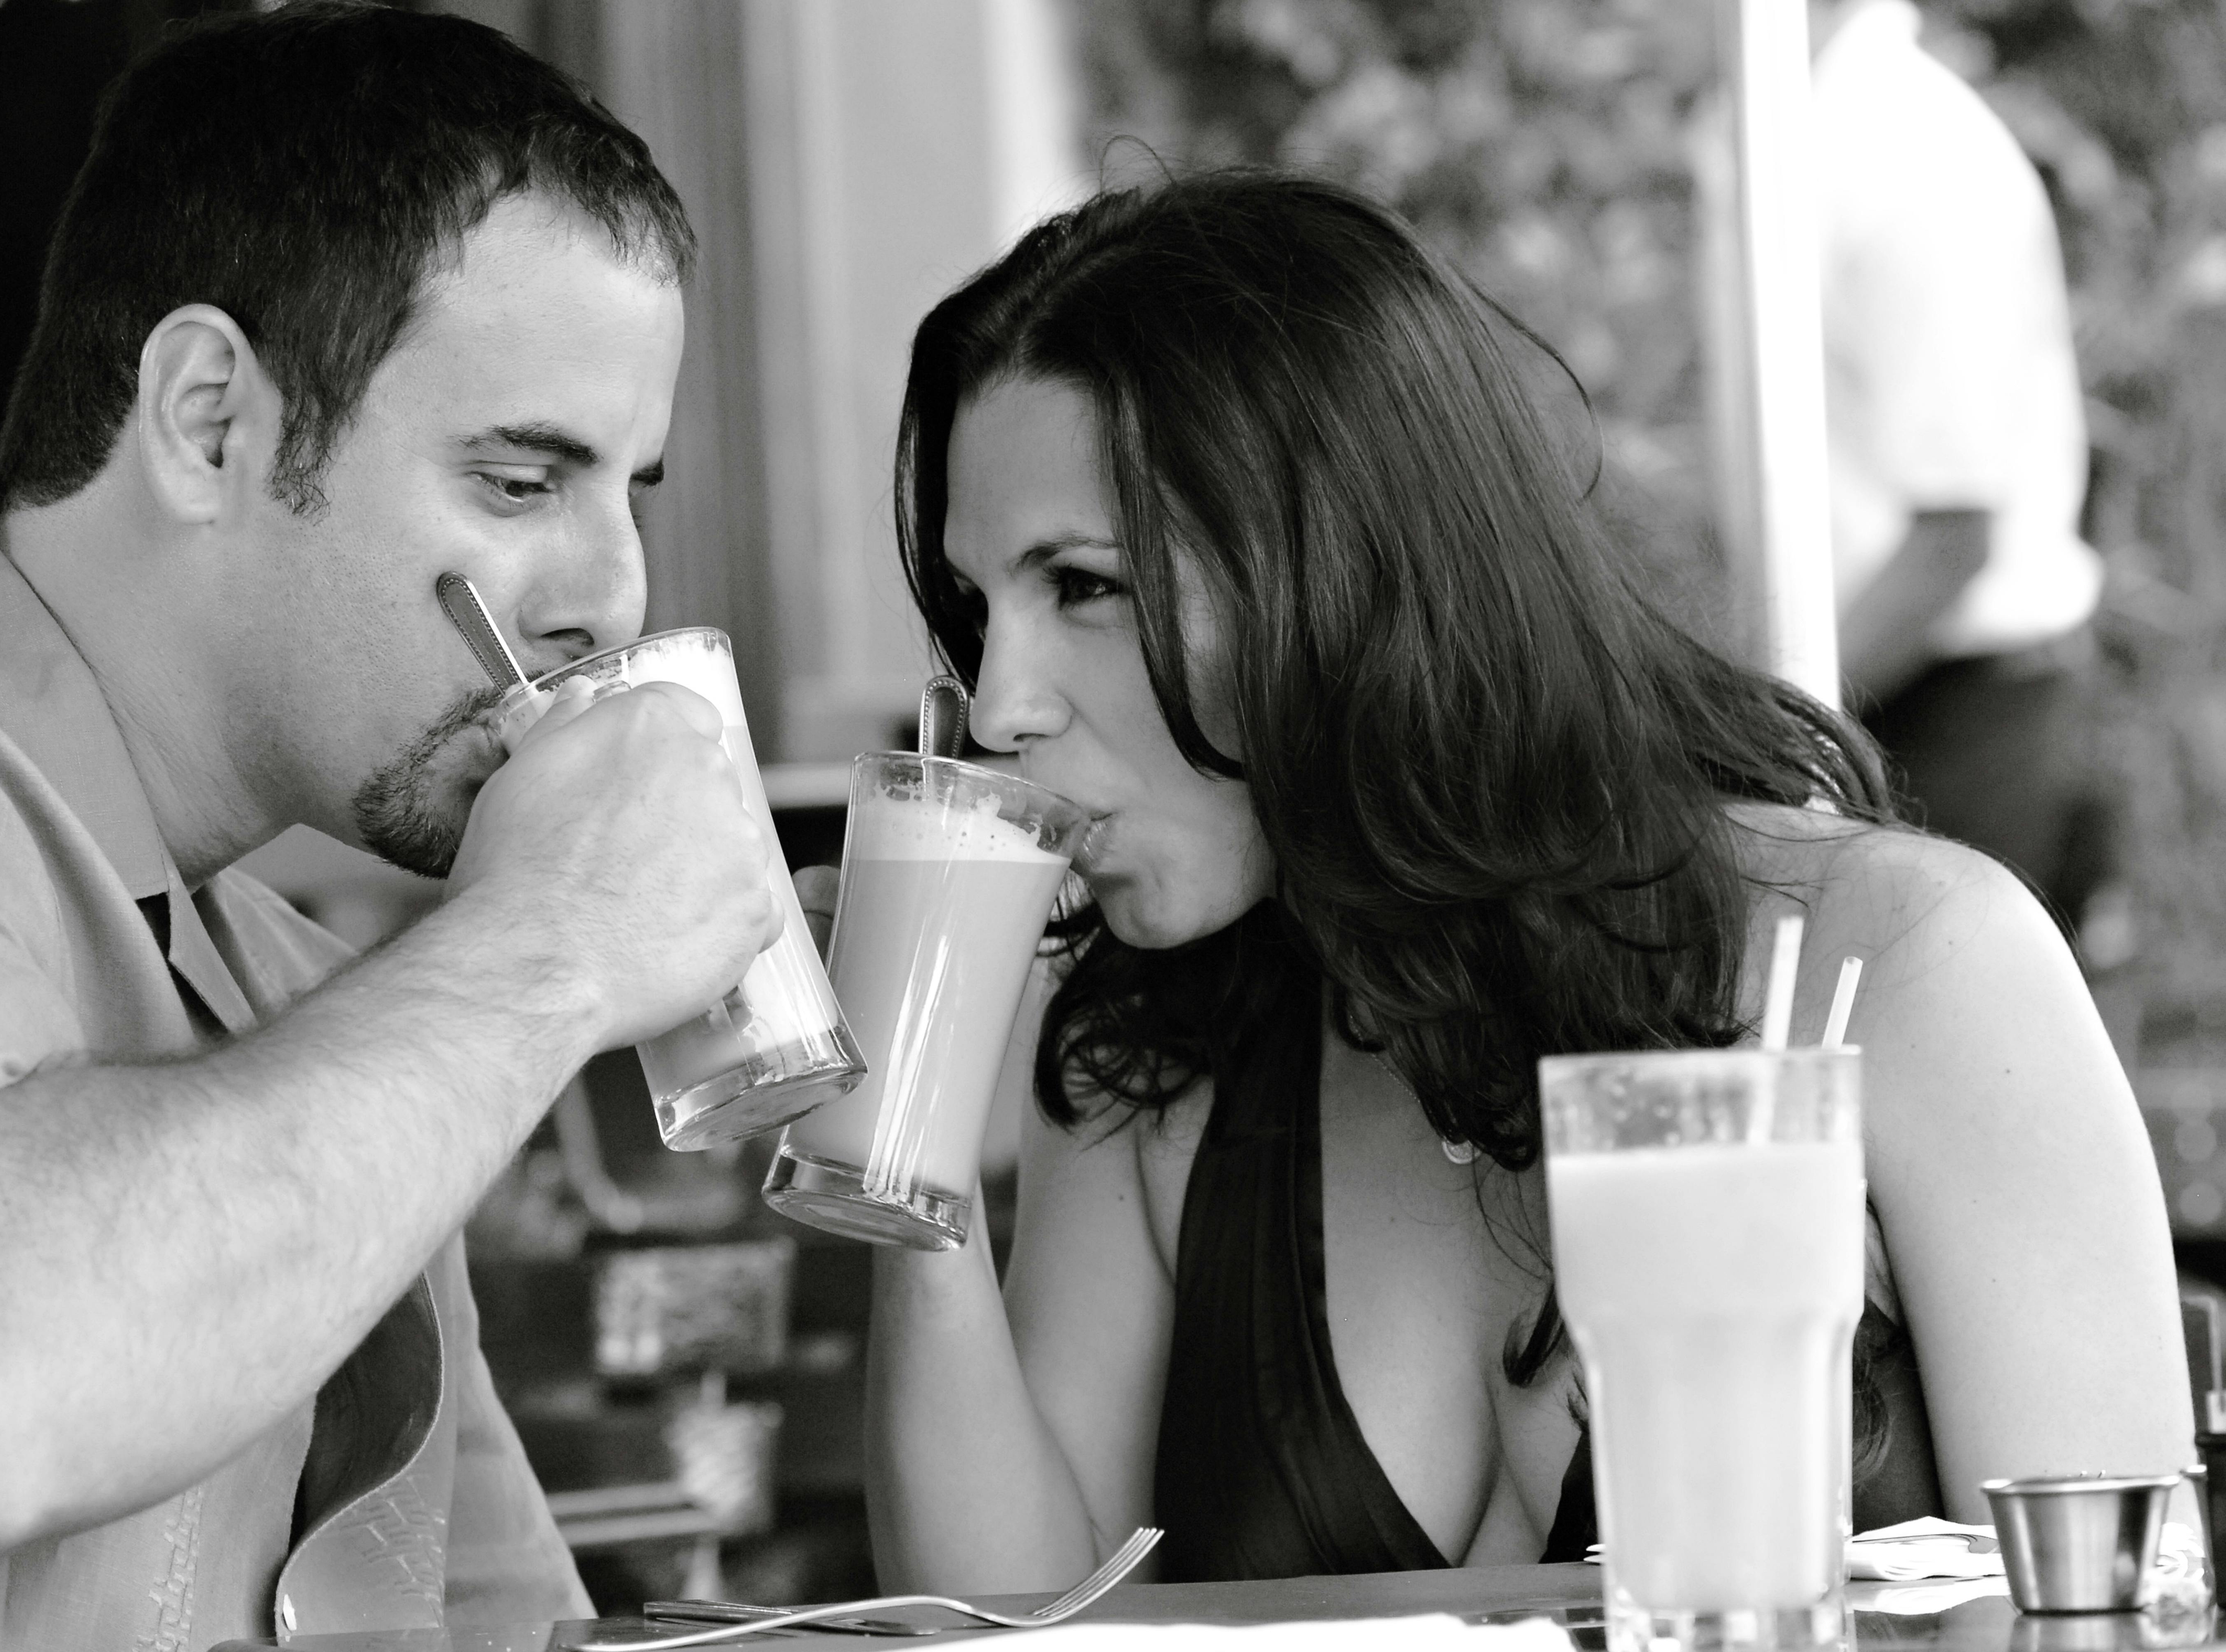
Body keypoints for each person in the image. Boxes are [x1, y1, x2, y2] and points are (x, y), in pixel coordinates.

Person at [815, 171, 2189, 1592]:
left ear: (1341, 565)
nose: (997, 709)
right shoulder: (1152, 1050)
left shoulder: (1906, 966)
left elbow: (2121, 1617)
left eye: (1085, 587)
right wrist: (912, 1187)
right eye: (980, 612)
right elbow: (1006, 1627)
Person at [0, 7, 780, 1647]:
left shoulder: (306, 1001)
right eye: (521, 483)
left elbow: (509, 1624)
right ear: (213, 416)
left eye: (630, 492)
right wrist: (550, 945)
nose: (614, 598)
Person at [1813, 0, 2111, 935]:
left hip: (1951, 700)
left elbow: (1956, 533)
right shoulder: (1784, 132)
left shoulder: (1915, 162)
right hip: (1868, 680)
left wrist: (1774, 714)